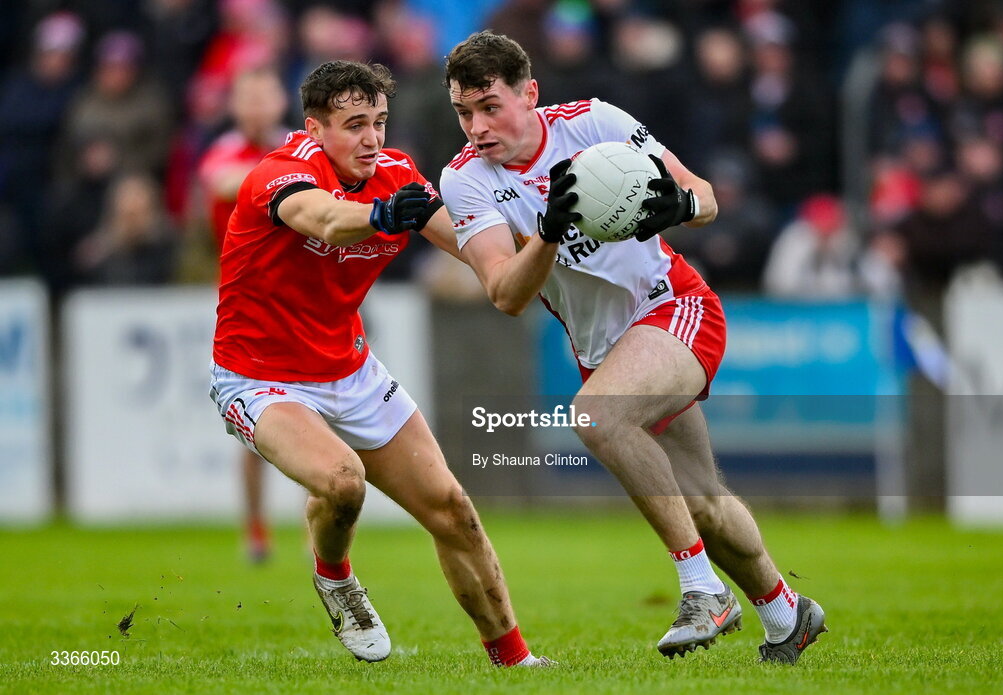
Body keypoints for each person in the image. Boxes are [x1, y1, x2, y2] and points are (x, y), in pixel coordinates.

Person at [439, 30, 826, 664]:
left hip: (675, 306)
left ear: (529, 94)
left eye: (489, 106)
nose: (476, 126)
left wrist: (676, 205)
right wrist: (548, 233)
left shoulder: (594, 123)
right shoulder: (466, 180)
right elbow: (506, 293)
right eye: (463, 112)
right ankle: (787, 615)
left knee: (596, 415)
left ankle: (703, 591)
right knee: (702, 501)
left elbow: (704, 196)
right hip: (607, 350)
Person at [209, 59, 549, 667]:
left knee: (452, 511)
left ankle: (514, 660)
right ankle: (335, 576)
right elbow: (324, 219)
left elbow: (476, 249)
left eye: (380, 122)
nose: (372, 138)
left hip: (350, 370)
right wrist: (382, 216)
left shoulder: (396, 175)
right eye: (355, 124)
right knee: (343, 481)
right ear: (315, 129)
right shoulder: (278, 174)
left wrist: (554, 239)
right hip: (258, 375)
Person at [198, 67, 291, 561]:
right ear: (235, 105)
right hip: (250, 308)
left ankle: (317, 535)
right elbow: (223, 185)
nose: (257, 106)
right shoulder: (223, 152)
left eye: (265, 93)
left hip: (303, 300)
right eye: (247, 96)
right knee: (255, 428)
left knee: (325, 422)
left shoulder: (294, 149)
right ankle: (256, 530)